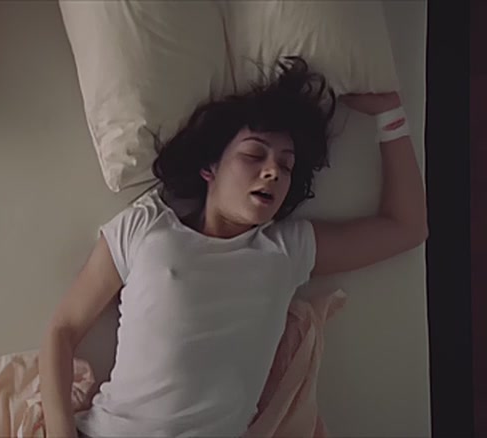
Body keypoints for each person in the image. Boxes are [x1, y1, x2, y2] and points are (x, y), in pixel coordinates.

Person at [38, 57, 428, 438]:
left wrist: (391, 115)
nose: (272, 172)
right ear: (209, 168)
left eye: (286, 166)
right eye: (254, 155)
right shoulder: (146, 227)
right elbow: (63, 329)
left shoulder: (286, 250)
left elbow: (407, 227)